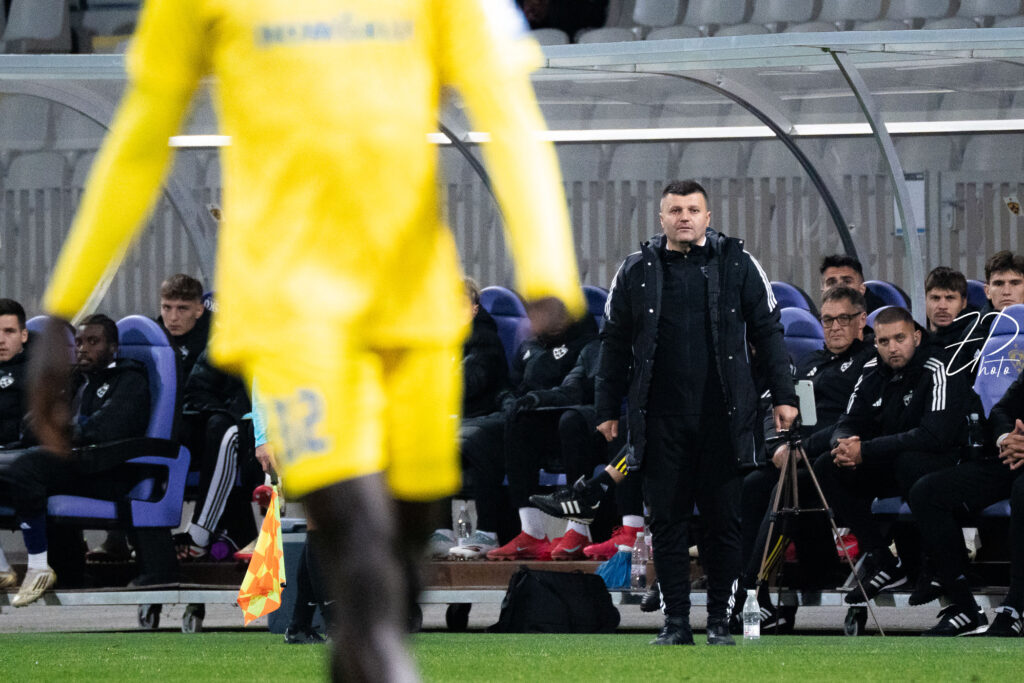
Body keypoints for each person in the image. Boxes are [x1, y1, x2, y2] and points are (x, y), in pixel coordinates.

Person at [30, 2, 584, 680]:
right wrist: (64, 308)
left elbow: (509, 112)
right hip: (285, 302)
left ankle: (366, 645)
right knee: (351, 522)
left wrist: (547, 266)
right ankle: (380, 652)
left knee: (400, 536)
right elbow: (140, 139)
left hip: (408, 298)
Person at [593, 180, 798, 647]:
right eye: (675, 210)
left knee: (724, 523)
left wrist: (784, 397)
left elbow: (768, 332)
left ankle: (720, 621)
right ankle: (676, 623)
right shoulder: (634, 270)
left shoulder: (739, 263)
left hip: (723, 418)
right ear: (661, 218)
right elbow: (614, 341)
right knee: (666, 523)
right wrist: (606, 407)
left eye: (692, 209)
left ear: (708, 217)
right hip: (659, 418)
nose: (683, 217)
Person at [733, 286, 876, 633]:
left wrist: (801, 450)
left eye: (843, 319)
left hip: (836, 459)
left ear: (861, 320)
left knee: (784, 490)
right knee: (752, 485)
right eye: (827, 320)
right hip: (798, 455)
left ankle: (748, 591)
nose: (835, 327)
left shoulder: (870, 362)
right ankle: (760, 600)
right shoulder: (810, 362)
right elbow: (778, 409)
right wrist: (777, 447)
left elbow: (852, 421)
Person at [812, 306, 970, 607]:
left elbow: (933, 436)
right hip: (893, 459)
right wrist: (843, 445)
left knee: (909, 463)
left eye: (900, 338)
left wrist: (866, 450)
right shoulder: (873, 368)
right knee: (828, 465)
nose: (892, 348)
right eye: (884, 341)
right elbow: (848, 420)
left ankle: (936, 565)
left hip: (940, 461)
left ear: (917, 337)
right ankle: (882, 559)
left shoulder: (939, 365)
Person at [0, 314, 150, 606]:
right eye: (79, 342)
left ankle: (38, 567)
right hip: (72, 463)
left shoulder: (130, 381)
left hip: (105, 470)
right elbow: (34, 422)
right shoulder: (74, 379)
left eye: (93, 342)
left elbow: (105, 430)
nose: (83, 349)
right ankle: (4, 568)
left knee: (26, 469)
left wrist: (58, 433)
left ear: (113, 348)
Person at [448, 312, 597, 560]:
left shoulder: (587, 343)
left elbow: (575, 389)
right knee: (512, 423)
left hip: (577, 418)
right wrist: (510, 402)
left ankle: (578, 529)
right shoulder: (529, 345)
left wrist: (537, 398)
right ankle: (531, 532)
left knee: (569, 423)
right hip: (538, 418)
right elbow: (512, 386)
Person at [909, 368, 1024, 636]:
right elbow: (1001, 410)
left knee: (1022, 490)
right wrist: (1007, 438)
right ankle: (963, 605)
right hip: (1015, 458)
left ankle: (1016, 605)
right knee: (927, 492)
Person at [427, 278, 508, 558]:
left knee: (473, 442)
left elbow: (471, 381)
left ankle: (487, 532)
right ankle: (440, 531)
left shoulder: (483, 338)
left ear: (474, 308)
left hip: (486, 417)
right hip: (457, 421)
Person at [173, 347, 257, 560]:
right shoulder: (227, 341)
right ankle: (147, 538)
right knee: (218, 426)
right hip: (226, 424)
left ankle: (199, 535)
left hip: (269, 430)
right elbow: (197, 389)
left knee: (226, 432)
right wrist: (223, 412)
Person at [156, 273, 211, 381]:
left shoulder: (217, 344)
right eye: (167, 308)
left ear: (199, 310)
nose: (173, 317)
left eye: (182, 309)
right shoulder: (150, 337)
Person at [0, 298, 30, 446]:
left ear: (24, 335)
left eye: (9, 331)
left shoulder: (38, 373)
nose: (0, 340)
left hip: (17, 454)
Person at [819, 254, 887, 313]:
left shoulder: (880, 319)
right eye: (831, 283)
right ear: (823, 291)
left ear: (862, 289)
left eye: (847, 281)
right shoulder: (817, 322)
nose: (839, 287)